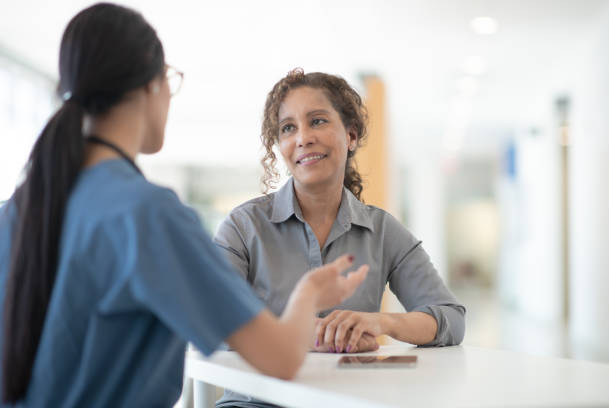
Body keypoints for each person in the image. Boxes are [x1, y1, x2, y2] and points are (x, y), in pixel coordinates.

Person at [0, 6, 368, 407]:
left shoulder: (19, 210)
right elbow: (279, 356)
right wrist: (311, 293)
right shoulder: (149, 216)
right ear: (152, 85)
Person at [213, 69, 466, 407]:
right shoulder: (243, 226)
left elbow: (450, 319)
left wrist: (381, 322)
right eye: (288, 128)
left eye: (317, 121)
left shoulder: (383, 231)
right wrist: (311, 336)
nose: (303, 137)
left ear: (350, 136)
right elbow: (213, 322)